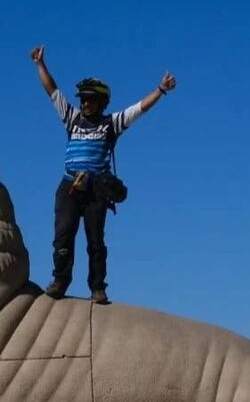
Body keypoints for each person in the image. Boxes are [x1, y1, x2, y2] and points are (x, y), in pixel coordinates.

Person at [30, 45, 176, 304]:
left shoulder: (111, 124)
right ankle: (60, 281)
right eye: (83, 99)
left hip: (97, 189)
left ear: (101, 102)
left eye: (90, 100)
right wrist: (40, 65)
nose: (85, 103)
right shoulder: (72, 119)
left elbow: (138, 109)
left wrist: (161, 90)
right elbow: (52, 91)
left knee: (95, 242)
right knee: (62, 238)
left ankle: (97, 287)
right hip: (70, 186)